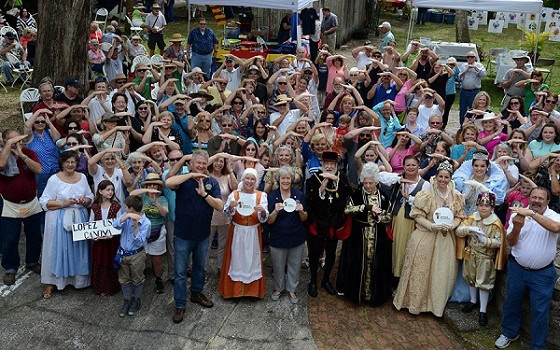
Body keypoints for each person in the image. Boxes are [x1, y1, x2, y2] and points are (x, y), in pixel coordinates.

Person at [393, 161, 466, 317]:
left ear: (450, 178)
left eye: (446, 177)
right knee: (421, 270)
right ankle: (415, 304)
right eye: (440, 176)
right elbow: (417, 215)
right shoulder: (426, 194)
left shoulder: (457, 196)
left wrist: (451, 226)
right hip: (425, 236)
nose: (443, 180)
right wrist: (431, 226)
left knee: (439, 272)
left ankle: (435, 306)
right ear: (436, 176)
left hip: (445, 239)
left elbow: (460, 216)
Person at [495, 188, 560, 349]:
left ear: (547, 201)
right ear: (529, 198)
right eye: (534, 197)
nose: (536, 200)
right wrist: (517, 227)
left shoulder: (553, 215)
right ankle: (509, 333)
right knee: (511, 302)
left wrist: (531, 214)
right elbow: (510, 242)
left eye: (540, 198)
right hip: (517, 268)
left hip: (542, 273)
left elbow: (555, 227)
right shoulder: (519, 214)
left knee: (540, 311)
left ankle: (538, 346)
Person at [165, 151, 223, 324]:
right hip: (183, 235)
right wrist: (189, 173)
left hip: (203, 235)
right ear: (190, 164)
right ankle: (180, 304)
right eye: (197, 163)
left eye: (204, 164)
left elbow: (219, 206)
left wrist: (204, 194)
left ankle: (196, 293)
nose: (201, 166)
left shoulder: (212, 182)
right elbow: (168, 181)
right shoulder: (183, 181)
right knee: (180, 272)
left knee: (200, 268)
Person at [40, 151, 94, 299]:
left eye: (73, 162)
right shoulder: (54, 180)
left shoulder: (82, 177)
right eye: (67, 162)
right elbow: (44, 201)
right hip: (59, 218)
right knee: (58, 249)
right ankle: (52, 282)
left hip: (78, 217)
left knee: (78, 249)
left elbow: (90, 195)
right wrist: (63, 203)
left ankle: (79, 281)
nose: (70, 165)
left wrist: (86, 200)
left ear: (77, 164)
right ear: (62, 163)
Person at [336, 162, 393, 305]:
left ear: (376, 182)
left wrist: (379, 217)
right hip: (358, 236)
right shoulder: (356, 195)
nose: (367, 186)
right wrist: (365, 207)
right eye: (365, 182)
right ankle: (357, 293)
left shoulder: (384, 197)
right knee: (357, 263)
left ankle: (374, 295)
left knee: (377, 264)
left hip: (378, 235)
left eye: (371, 183)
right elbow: (347, 210)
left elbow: (389, 216)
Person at [456, 192, 506, 326]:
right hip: (471, 254)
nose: (483, 208)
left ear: (492, 208)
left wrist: (485, 241)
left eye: (487, 205)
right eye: (481, 205)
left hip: (485, 257)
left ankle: (483, 310)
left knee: (483, 283)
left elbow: (499, 242)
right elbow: (459, 231)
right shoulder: (472, 218)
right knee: (470, 278)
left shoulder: (495, 223)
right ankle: (473, 301)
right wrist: (468, 229)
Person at [0, 130, 43, 285]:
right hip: (10, 205)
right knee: (10, 238)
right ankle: (10, 268)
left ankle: (32, 261)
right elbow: (1, 165)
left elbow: (38, 169)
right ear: (4, 142)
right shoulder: (2, 155)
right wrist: (9, 148)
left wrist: (22, 155)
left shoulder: (28, 153)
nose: (17, 143)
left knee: (35, 235)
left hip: (31, 202)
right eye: (12, 141)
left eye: (19, 140)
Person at [305, 151, 350, 297]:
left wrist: (335, 181)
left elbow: (346, 195)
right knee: (314, 253)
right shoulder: (313, 179)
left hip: (333, 224)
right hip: (317, 224)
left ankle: (326, 280)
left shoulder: (342, 178)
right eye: (327, 164)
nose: (329, 167)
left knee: (331, 254)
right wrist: (322, 187)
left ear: (336, 165)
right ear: (322, 165)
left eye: (332, 164)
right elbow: (310, 202)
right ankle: (312, 280)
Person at [219, 168, 269, 299]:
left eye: (252, 179)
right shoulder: (235, 194)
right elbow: (225, 212)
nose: (249, 181)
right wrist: (230, 207)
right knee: (237, 260)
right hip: (237, 232)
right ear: (243, 179)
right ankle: (234, 292)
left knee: (252, 261)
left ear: (256, 181)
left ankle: (252, 292)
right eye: (247, 178)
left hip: (253, 233)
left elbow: (264, 217)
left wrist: (263, 211)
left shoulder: (261, 196)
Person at [267, 166, 308, 303]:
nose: (285, 181)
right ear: (279, 180)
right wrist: (275, 211)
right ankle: (278, 288)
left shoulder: (299, 195)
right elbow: (269, 221)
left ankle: (292, 289)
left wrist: (302, 212)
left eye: (288, 178)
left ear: (292, 180)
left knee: (294, 265)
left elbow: (304, 218)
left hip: (296, 237)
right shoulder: (272, 196)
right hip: (278, 237)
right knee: (278, 265)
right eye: (283, 178)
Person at [388, 155, 430, 279]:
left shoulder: (425, 184)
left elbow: (424, 205)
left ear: (418, 166)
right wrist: (398, 180)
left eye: (413, 165)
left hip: (411, 220)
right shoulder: (397, 179)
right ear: (404, 167)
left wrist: (409, 198)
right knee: (393, 246)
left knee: (406, 248)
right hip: (395, 217)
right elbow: (380, 177)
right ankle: (392, 275)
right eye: (408, 165)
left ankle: (401, 276)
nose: (411, 168)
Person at [130, 174, 169, 294]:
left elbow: (164, 213)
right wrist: (148, 190)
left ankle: (158, 279)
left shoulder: (162, 199)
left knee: (157, 259)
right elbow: (132, 193)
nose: (152, 186)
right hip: (142, 230)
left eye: (155, 184)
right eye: (150, 184)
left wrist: (155, 201)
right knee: (139, 258)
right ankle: (138, 279)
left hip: (157, 229)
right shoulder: (141, 196)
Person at [112, 195, 150, 317]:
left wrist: (135, 226)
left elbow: (139, 241)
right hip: (123, 253)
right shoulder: (126, 216)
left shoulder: (146, 223)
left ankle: (136, 300)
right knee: (124, 279)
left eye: (127, 208)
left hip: (137, 255)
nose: (126, 209)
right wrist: (126, 217)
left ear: (132, 208)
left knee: (137, 279)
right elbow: (115, 225)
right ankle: (127, 300)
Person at [89, 180, 122, 296]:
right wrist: (93, 236)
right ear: (100, 191)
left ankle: (111, 288)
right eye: (108, 190)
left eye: (112, 190)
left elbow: (119, 224)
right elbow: (91, 223)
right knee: (99, 262)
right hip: (99, 242)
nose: (111, 192)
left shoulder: (116, 206)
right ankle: (99, 287)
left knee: (111, 262)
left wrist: (113, 234)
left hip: (112, 241)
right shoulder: (95, 207)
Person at [459, 52, 487, 125]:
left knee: (474, 109)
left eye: (471, 57)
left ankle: (473, 126)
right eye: (468, 57)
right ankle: (462, 126)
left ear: (475, 58)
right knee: (463, 110)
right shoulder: (463, 65)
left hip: (474, 91)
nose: (470, 58)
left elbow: (483, 75)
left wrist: (475, 68)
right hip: (464, 91)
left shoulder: (479, 65)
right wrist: (466, 69)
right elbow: (459, 77)